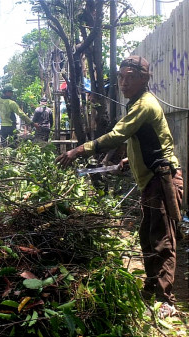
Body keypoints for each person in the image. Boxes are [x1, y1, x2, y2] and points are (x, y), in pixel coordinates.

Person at [55, 55, 183, 319]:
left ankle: (165, 301)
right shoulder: (137, 103)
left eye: (130, 77)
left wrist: (79, 149)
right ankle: (150, 289)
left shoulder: (144, 104)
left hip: (162, 180)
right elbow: (150, 138)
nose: (123, 82)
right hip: (152, 180)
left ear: (144, 79)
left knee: (162, 240)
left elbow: (118, 134)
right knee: (147, 236)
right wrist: (129, 159)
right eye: (121, 77)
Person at [0, 80, 33, 147]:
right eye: (11, 92)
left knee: (4, 146)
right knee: (13, 146)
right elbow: (21, 114)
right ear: (7, 92)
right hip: (11, 127)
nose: (12, 93)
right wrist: (32, 123)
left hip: (3, 127)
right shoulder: (12, 103)